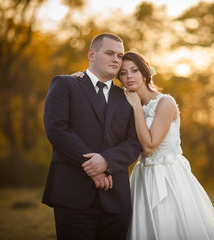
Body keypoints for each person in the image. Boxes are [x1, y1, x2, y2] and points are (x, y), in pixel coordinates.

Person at [74, 52, 214, 239]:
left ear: (145, 73)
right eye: (123, 73)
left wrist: (137, 107)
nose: (129, 76)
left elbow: (150, 146)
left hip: (169, 176)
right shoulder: (123, 102)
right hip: (142, 175)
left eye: (134, 70)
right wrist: (80, 79)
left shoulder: (165, 102)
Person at [42, 33, 141, 240]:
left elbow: (133, 143)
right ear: (92, 54)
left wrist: (106, 162)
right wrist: (93, 166)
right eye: (110, 53)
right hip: (72, 194)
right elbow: (57, 129)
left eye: (120, 55)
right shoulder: (65, 84)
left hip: (116, 198)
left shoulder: (127, 98)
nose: (116, 59)